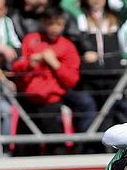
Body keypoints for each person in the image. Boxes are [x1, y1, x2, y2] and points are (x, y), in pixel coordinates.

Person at [11, 9, 86, 147]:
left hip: (51, 103)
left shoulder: (67, 46)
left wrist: (55, 64)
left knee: (56, 147)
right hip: (28, 102)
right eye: (51, 24)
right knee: (24, 148)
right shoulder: (31, 39)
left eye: (59, 24)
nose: (55, 28)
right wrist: (30, 63)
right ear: (43, 24)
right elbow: (16, 67)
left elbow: (72, 79)